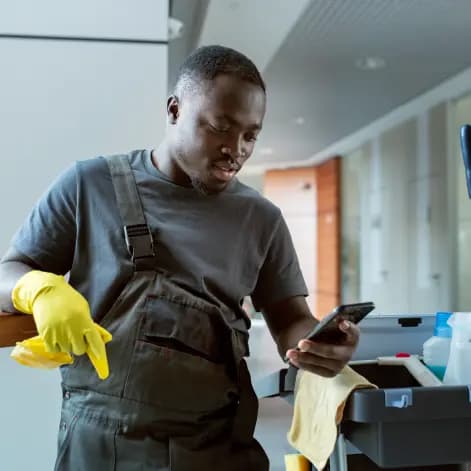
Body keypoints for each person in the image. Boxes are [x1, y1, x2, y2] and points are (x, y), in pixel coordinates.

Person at [0, 45, 359, 470]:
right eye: (220, 128)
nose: (236, 149)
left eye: (250, 135)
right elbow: (8, 274)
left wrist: (317, 343)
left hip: (217, 444)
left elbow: (288, 316)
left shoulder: (261, 218)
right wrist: (39, 289)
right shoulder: (89, 185)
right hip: (102, 445)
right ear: (174, 110)